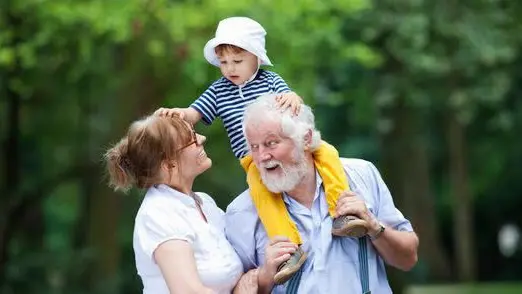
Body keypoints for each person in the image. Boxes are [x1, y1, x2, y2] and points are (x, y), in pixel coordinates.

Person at [155, 16, 368, 283]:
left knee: (328, 154)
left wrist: (292, 98)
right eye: (223, 62)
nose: (229, 68)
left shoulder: (270, 80)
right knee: (262, 193)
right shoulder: (219, 91)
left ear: (256, 58)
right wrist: (178, 114)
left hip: (289, 146)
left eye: (237, 61)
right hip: (253, 159)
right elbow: (194, 113)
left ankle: (342, 213)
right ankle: (289, 246)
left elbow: (292, 99)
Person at [225, 94, 419, 294]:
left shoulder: (362, 175)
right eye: (254, 147)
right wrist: (265, 276)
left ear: (306, 139)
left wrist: (373, 226)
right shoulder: (241, 212)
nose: (262, 157)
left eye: (271, 143)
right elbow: (235, 288)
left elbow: (408, 258)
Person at [104, 114, 257, 294]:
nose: (201, 138)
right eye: (191, 139)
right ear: (169, 164)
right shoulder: (158, 214)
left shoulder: (205, 203)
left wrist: (264, 273)